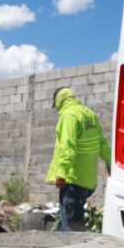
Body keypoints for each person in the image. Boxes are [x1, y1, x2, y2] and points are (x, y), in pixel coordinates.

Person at [46, 87, 111, 231]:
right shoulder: (90, 115)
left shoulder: (69, 116)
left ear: (59, 102)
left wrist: (62, 171)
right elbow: (102, 143)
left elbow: (68, 145)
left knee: (72, 229)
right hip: (87, 182)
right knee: (66, 223)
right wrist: (109, 162)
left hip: (72, 180)